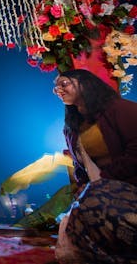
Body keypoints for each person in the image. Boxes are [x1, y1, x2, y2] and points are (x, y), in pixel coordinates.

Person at [52, 69, 137, 263]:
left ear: (85, 83)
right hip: (99, 191)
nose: (58, 89)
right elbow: (79, 166)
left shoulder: (119, 109)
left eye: (64, 83)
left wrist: (104, 180)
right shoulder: (71, 128)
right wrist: (85, 188)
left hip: (128, 186)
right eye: (55, 87)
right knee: (72, 217)